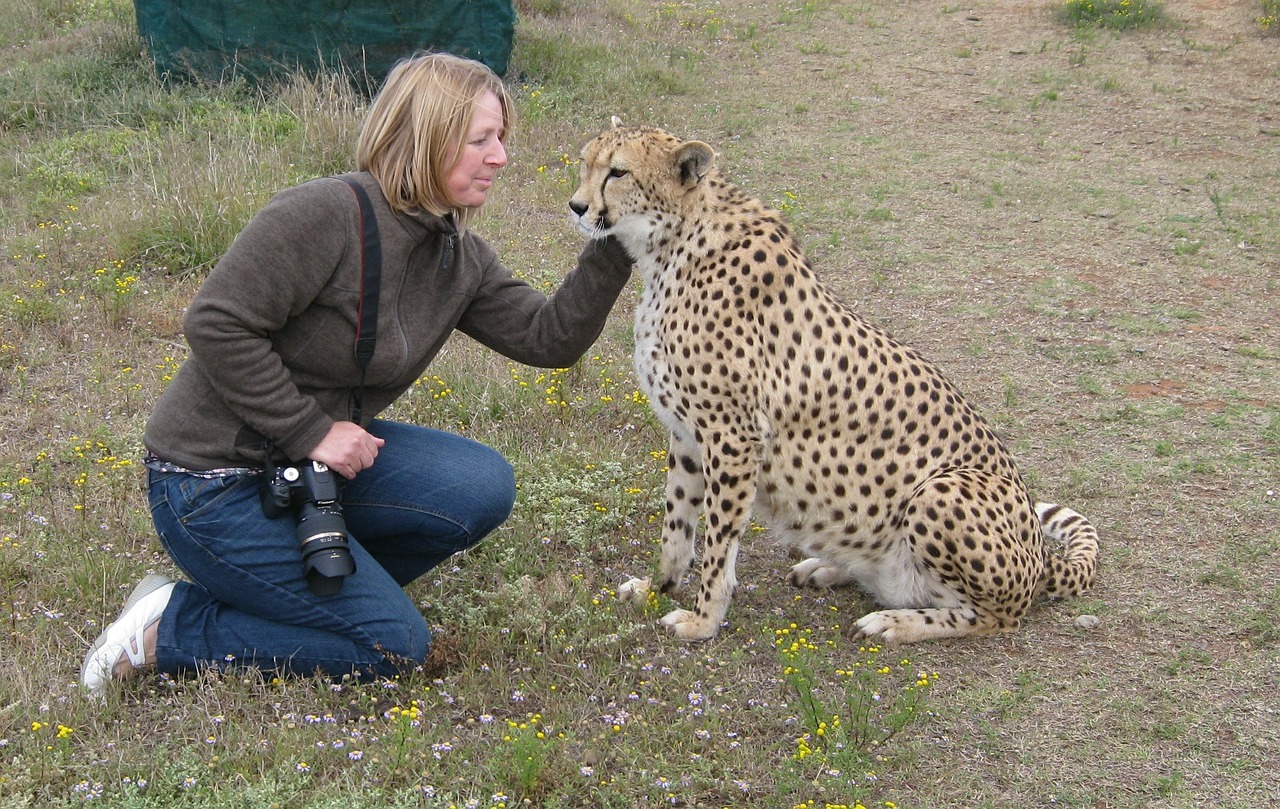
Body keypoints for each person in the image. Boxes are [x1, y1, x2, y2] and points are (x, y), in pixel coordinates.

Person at [80, 52, 633, 695]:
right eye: (481, 139)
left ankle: (310, 600)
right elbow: (216, 321)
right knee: (392, 647)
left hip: (304, 475)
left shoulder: (457, 256)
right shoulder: (325, 214)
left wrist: (619, 227)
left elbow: (550, 337)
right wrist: (312, 430)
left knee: (480, 485)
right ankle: (166, 627)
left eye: (502, 139)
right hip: (210, 483)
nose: (501, 157)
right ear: (426, 136)